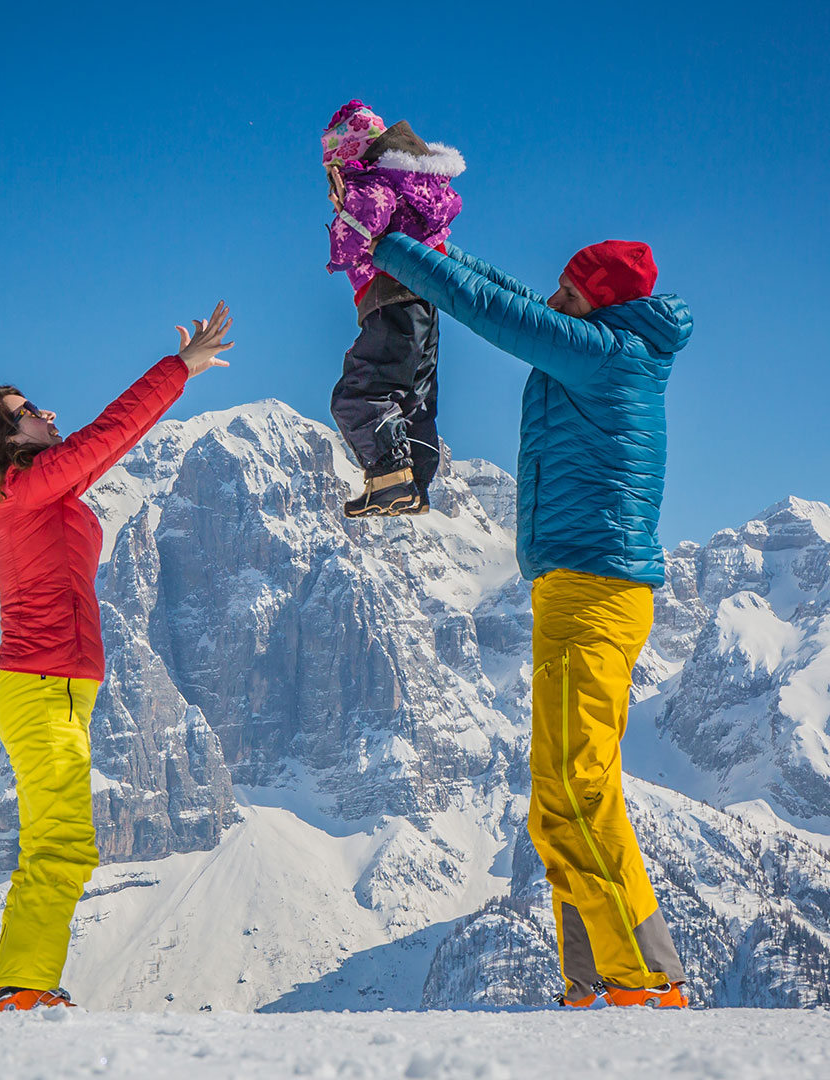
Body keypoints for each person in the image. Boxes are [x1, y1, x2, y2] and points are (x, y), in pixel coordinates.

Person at [372, 234, 695, 1008]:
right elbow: (508, 292)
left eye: (571, 293)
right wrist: (424, 240)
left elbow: (491, 310)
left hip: (595, 592)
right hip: (569, 591)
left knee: (580, 788)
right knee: (555, 799)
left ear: (603, 304)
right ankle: (588, 982)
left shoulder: (606, 354)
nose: (555, 300)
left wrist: (383, 243)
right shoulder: (595, 339)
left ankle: (645, 979)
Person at [0, 302, 235, 1011]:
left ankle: (18, 988)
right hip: (40, 688)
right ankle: (19, 991)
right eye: (29, 410)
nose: (48, 412)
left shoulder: (34, 488)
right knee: (62, 843)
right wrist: (178, 370)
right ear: (7, 440)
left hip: (61, 690)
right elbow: (108, 434)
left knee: (63, 843)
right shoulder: (26, 487)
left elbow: (101, 450)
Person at [321, 99, 465, 516]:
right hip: (424, 301)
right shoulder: (411, 183)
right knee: (414, 396)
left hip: (390, 298)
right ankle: (416, 485)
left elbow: (367, 217)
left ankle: (387, 475)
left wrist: (343, 229)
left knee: (361, 392)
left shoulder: (367, 182)